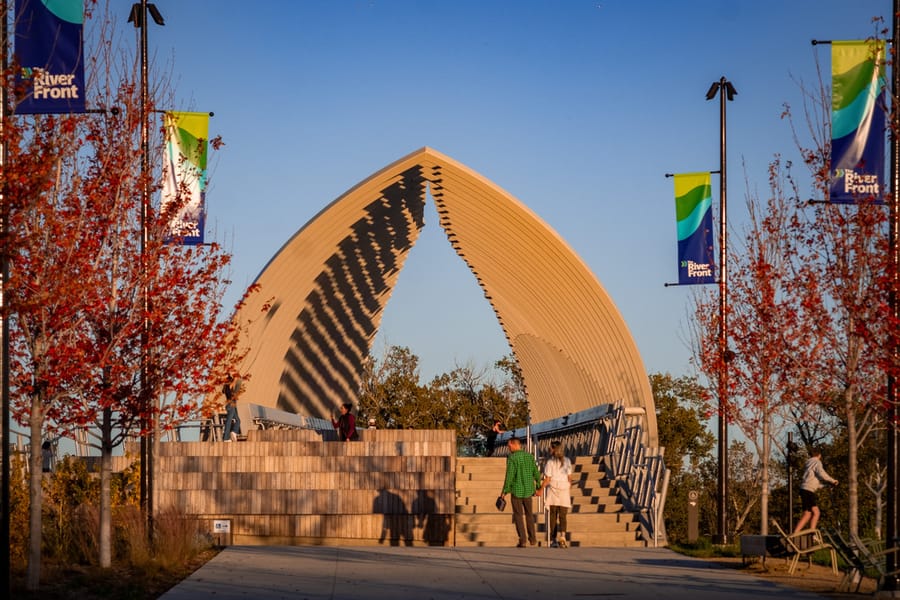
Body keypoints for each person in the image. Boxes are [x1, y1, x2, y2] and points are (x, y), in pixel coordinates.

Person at [500, 436, 542, 547]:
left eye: (509, 446)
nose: (508, 448)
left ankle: (522, 539)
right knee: (529, 515)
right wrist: (538, 486)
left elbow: (509, 475)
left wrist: (504, 491)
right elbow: (536, 473)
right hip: (528, 490)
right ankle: (532, 539)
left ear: (514, 444)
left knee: (518, 515)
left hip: (516, 491)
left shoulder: (512, 458)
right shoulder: (529, 456)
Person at [793, 448, 838, 533]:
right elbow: (821, 473)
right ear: (819, 455)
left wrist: (826, 485)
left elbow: (815, 483)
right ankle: (812, 534)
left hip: (805, 489)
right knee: (816, 512)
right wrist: (833, 480)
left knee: (808, 513)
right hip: (808, 490)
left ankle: (795, 533)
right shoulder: (817, 462)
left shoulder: (809, 464)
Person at [541, 440, 573, 548]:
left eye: (550, 448)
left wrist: (541, 489)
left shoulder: (550, 462)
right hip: (564, 488)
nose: (549, 449)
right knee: (563, 515)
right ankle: (563, 535)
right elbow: (570, 478)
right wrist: (569, 487)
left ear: (554, 449)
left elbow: (548, 479)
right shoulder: (567, 461)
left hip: (554, 489)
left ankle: (553, 538)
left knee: (553, 515)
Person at [222, 374, 242, 442]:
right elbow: (232, 384)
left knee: (238, 420)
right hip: (230, 405)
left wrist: (236, 379)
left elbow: (234, 387)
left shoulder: (228, 388)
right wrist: (235, 379)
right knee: (229, 421)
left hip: (232, 405)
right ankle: (226, 438)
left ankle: (233, 432)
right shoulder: (227, 386)